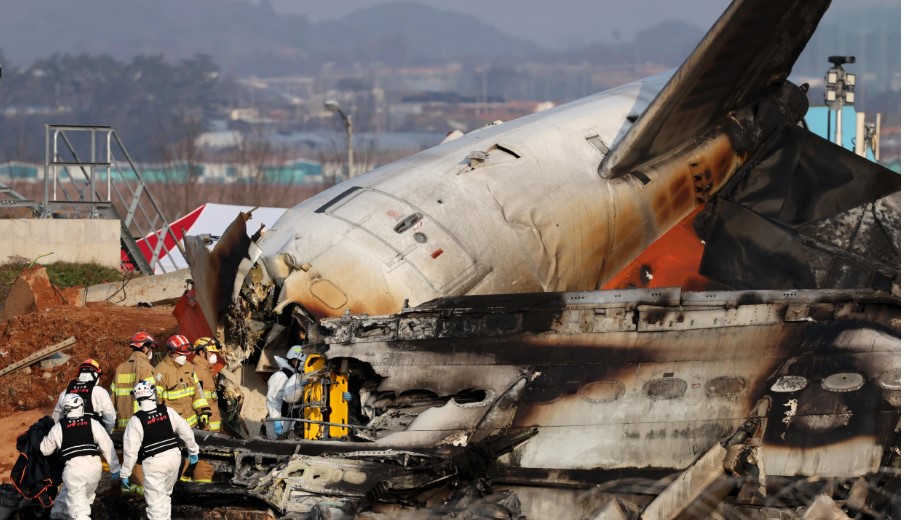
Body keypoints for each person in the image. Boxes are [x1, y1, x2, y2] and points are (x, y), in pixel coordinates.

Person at [120, 381, 199, 520]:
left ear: (137, 399)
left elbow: (130, 451)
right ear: (153, 394)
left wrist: (125, 472)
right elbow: (185, 430)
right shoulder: (167, 410)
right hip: (174, 458)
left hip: (154, 463)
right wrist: (193, 450)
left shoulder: (136, 420)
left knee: (156, 504)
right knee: (165, 496)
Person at [40, 394, 121, 520]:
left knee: (78, 511)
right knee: (72, 498)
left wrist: (43, 435)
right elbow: (107, 446)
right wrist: (115, 468)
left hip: (74, 472)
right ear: (81, 407)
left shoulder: (58, 428)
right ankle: (57, 515)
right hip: (94, 470)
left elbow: (45, 450)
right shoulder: (92, 423)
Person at [154, 335, 211, 429]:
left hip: (192, 426)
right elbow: (156, 402)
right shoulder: (161, 371)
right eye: (180, 354)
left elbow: (198, 392)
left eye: (185, 354)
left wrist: (203, 411)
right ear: (170, 352)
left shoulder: (189, 367)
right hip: (174, 428)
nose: (183, 357)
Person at [51, 359, 116, 434]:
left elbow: (56, 418)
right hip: (92, 438)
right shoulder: (99, 392)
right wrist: (107, 433)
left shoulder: (65, 392)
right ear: (96, 375)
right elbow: (110, 419)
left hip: (69, 436)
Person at [110, 331, 158, 431]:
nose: (151, 351)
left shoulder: (120, 368)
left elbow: (112, 398)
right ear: (145, 348)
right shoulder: (146, 368)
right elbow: (153, 397)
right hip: (142, 425)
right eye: (150, 348)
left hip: (123, 426)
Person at [265, 345, 306, 439]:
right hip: (280, 420)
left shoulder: (298, 377)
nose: (297, 363)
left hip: (291, 420)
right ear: (289, 359)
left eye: (299, 361)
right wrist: (276, 420)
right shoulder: (281, 375)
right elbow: (273, 399)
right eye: (295, 360)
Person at [191, 337, 222, 433]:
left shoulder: (206, 370)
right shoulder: (198, 371)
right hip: (208, 429)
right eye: (212, 353)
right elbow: (197, 399)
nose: (214, 356)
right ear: (201, 353)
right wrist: (205, 427)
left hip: (214, 424)